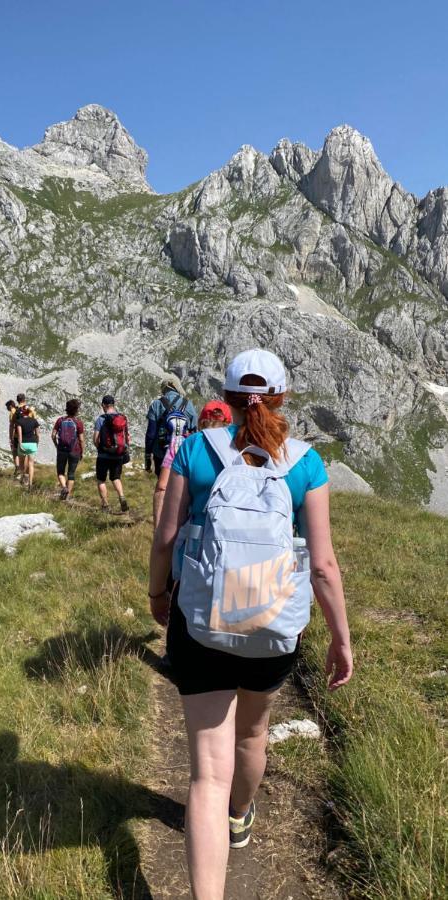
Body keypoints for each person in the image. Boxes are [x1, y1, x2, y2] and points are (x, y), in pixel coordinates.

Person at [148, 349, 353, 899]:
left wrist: (156, 594)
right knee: (254, 732)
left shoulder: (195, 449)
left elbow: (166, 539)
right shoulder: (307, 463)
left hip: (202, 625)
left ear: (229, 398)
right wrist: (340, 637)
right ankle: (241, 815)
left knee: (204, 776)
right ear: (283, 396)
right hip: (271, 629)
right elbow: (324, 565)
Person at [153, 400, 232, 529]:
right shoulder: (239, 448)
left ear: (201, 422)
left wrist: (159, 533)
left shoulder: (184, 444)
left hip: (193, 531)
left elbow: (162, 487)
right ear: (228, 423)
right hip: (227, 529)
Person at [145, 374, 197, 475]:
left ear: (164, 389)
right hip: (181, 452)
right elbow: (193, 430)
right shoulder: (188, 404)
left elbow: (150, 433)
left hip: (160, 452)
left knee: (162, 484)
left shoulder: (156, 404)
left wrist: (147, 456)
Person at [93, 394, 130, 513]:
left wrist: (100, 448)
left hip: (103, 455)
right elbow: (126, 436)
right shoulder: (122, 418)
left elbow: (95, 439)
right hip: (118, 454)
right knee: (116, 478)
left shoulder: (101, 419)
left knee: (101, 480)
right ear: (113, 405)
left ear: (104, 405)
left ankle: (105, 505)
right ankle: (122, 497)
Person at [51, 398, 85, 500]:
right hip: (74, 451)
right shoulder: (78, 422)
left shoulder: (60, 420)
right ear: (76, 410)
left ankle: (64, 487)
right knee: (71, 473)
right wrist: (82, 452)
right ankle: (67, 496)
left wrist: (57, 445)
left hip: (62, 450)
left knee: (60, 472)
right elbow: (82, 440)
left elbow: (53, 435)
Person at [16, 406, 40, 490]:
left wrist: (20, 444)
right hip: (32, 444)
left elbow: (19, 435)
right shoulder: (34, 421)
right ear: (29, 412)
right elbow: (37, 434)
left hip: (23, 444)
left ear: (22, 412)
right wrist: (37, 442)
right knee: (31, 464)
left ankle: (23, 479)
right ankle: (30, 483)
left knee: (22, 465)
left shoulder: (19, 421)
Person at [5, 400, 20, 477]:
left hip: (16, 436)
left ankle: (17, 469)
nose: (7, 408)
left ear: (10, 406)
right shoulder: (19, 411)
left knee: (15, 452)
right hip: (23, 435)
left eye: (7, 406)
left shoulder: (12, 413)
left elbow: (12, 426)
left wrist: (11, 438)